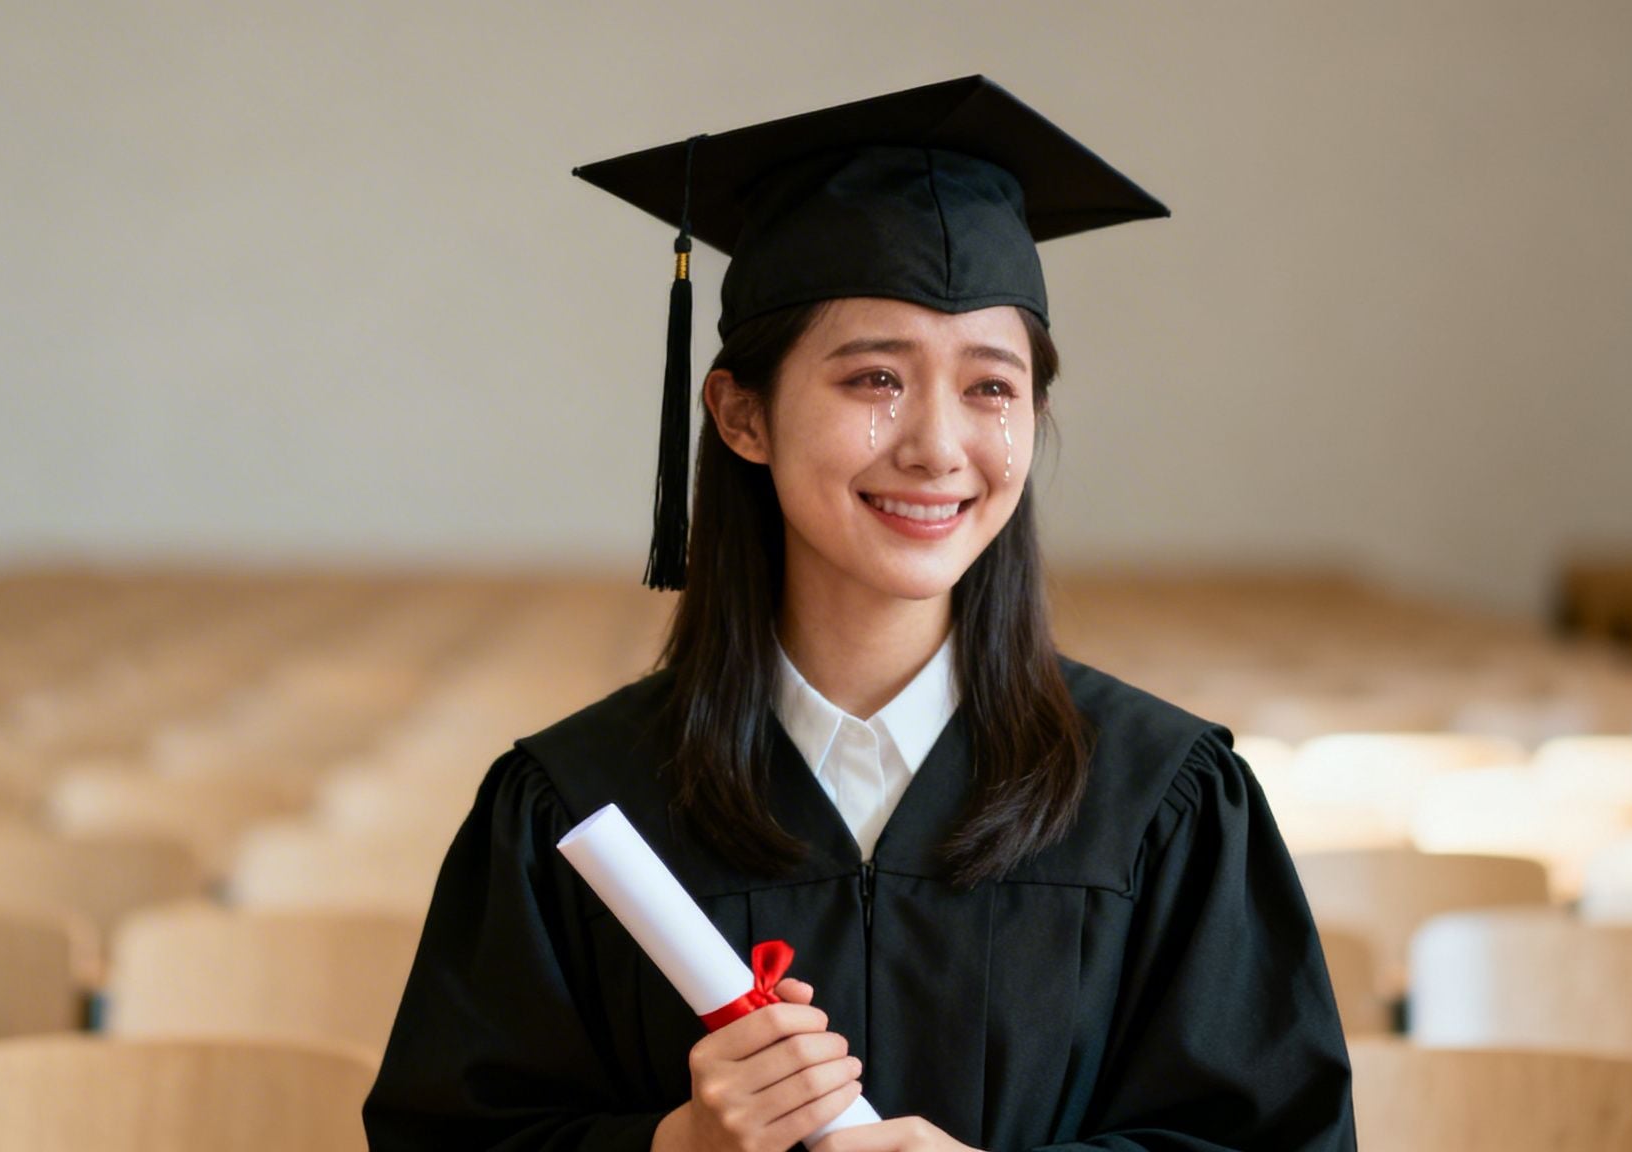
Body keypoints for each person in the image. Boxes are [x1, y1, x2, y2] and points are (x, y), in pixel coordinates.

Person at [365, 76, 1356, 1151]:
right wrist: (676, 1146)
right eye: (874, 379)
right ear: (740, 414)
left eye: (989, 388)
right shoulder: (573, 804)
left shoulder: (1160, 802)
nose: (936, 446)